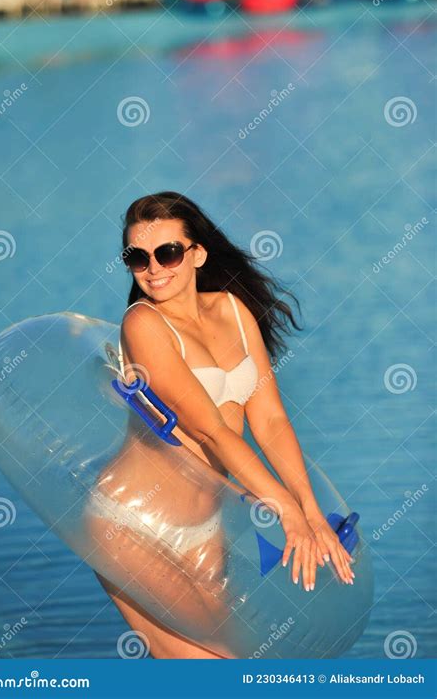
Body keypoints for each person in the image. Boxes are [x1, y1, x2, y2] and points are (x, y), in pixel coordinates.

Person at [89, 191, 355, 659]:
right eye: (137, 257)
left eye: (168, 252)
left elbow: (270, 419)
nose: (154, 268)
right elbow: (212, 431)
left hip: (202, 528)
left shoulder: (233, 310)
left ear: (197, 254)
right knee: (217, 669)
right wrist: (285, 512)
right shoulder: (144, 325)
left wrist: (310, 511)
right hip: (133, 522)